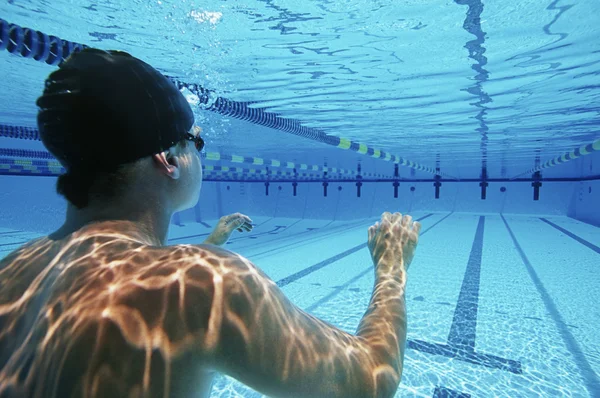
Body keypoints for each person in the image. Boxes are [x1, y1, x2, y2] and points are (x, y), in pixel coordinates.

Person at [0, 48, 422, 398]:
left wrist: (212, 241)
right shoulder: (211, 284)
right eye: (195, 141)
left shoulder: (14, 270)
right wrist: (392, 269)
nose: (201, 154)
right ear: (167, 159)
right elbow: (370, 379)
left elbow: (126, 281)